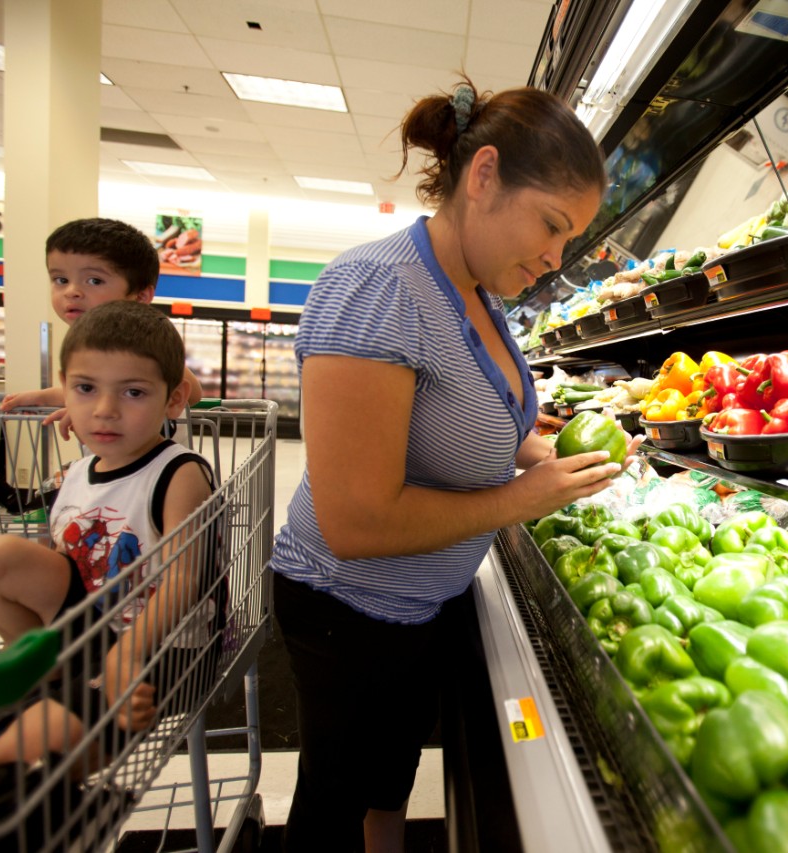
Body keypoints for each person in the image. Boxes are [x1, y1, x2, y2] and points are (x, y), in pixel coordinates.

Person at [269, 77, 633, 852]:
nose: (556, 257)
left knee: (390, 774)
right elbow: (354, 522)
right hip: (345, 608)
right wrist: (521, 497)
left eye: (570, 240)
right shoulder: (377, 289)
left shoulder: (479, 293)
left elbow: (476, 423)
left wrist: (553, 456)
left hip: (420, 603)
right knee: (331, 801)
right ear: (483, 176)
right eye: (551, 225)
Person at [0, 301, 218, 766]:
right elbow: (62, 564)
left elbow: (184, 579)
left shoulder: (178, 472)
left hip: (162, 646)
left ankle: (45, 716)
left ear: (174, 398)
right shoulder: (78, 472)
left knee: (19, 752)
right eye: (85, 388)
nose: (104, 411)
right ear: (64, 391)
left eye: (133, 393)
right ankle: (32, 677)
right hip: (88, 631)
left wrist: (126, 656)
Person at [0, 217, 204, 422]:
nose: (72, 291)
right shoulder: (88, 339)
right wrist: (51, 399)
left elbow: (192, 391)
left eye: (94, 281)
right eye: (61, 280)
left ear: (140, 296)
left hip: (155, 453)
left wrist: (51, 399)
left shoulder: (136, 336)